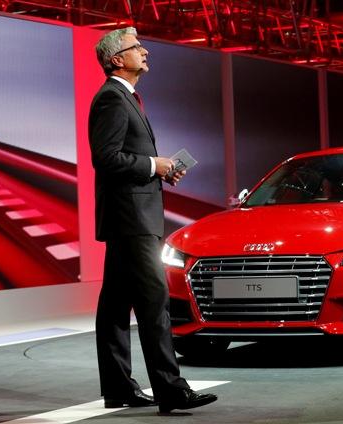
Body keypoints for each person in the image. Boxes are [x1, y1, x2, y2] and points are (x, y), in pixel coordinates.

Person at [88, 27, 217, 414]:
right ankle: (170, 389)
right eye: (136, 48)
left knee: (114, 306)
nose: (145, 52)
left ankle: (118, 387)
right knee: (154, 300)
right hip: (132, 219)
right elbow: (106, 158)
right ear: (116, 60)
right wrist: (152, 165)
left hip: (130, 215)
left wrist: (159, 170)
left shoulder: (124, 98)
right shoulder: (111, 99)